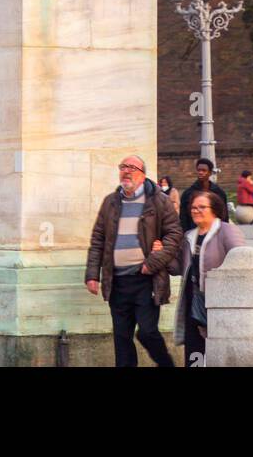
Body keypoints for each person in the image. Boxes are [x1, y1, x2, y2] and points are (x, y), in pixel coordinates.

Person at [85, 154, 182, 367]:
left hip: (145, 279)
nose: (126, 171)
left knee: (147, 332)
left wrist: (153, 262)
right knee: (121, 337)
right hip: (117, 281)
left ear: (143, 174)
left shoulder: (158, 200)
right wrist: (92, 274)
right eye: (123, 167)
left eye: (132, 167)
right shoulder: (111, 202)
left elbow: (174, 235)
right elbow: (98, 238)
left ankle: (167, 365)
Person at [173, 190, 243, 367]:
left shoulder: (227, 231)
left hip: (220, 305)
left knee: (219, 353)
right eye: (194, 207)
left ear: (215, 209)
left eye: (202, 207)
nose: (196, 210)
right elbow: (177, 268)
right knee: (194, 352)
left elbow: (243, 261)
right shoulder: (189, 236)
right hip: (193, 302)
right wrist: (161, 254)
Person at [180, 159, 228, 232]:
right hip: (194, 232)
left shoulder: (219, 192)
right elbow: (183, 217)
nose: (201, 172)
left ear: (210, 173)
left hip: (215, 231)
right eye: (199, 170)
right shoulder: (188, 193)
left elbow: (224, 215)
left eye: (204, 170)